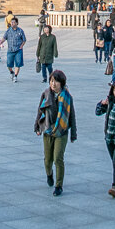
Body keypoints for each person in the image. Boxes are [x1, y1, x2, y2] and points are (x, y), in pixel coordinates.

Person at [34, 69, 77, 197]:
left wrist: (73, 133)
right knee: (48, 160)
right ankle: (49, 174)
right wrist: (36, 126)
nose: (53, 84)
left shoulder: (67, 97)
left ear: (61, 83)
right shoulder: (46, 94)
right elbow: (40, 110)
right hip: (48, 130)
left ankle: (58, 186)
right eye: (52, 81)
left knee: (58, 158)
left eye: (56, 81)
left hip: (61, 131)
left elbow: (72, 116)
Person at [0, 17, 27, 82]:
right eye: (11, 22)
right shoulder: (8, 30)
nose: (12, 23)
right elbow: (4, 38)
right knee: (9, 64)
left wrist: (21, 46)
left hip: (18, 50)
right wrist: (0, 43)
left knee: (18, 64)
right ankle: (12, 72)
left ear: (17, 23)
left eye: (14, 22)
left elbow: (24, 40)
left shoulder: (20, 31)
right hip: (10, 50)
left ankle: (16, 76)